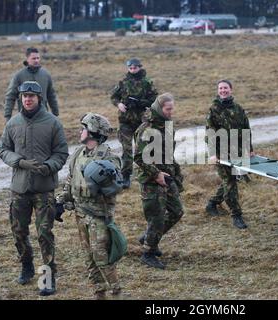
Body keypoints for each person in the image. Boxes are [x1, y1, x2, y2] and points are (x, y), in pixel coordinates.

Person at [0, 81, 68, 296]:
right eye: (24, 96)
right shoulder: (13, 123)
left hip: (44, 189)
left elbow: (62, 153)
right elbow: (3, 149)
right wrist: (18, 161)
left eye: (31, 96)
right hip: (19, 189)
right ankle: (26, 265)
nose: (27, 99)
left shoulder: (53, 123)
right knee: (18, 232)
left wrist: (49, 166)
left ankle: (48, 278)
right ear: (20, 98)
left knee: (45, 233)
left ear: (39, 98)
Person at [56, 113, 125, 299]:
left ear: (93, 132)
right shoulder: (79, 153)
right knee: (89, 258)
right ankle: (99, 292)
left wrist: (104, 178)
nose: (80, 131)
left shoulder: (109, 159)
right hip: (80, 214)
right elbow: (70, 180)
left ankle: (116, 292)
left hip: (98, 216)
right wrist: (61, 201)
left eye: (84, 128)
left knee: (101, 257)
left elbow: (115, 187)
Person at [134, 93, 184, 270]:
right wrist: (156, 174)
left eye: (172, 109)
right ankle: (148, 252)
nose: (171, 112)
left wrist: (177, 174)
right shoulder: (146, 128)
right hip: (151, 180)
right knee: (156, 216)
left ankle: (149, 237)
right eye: (167, 109)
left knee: (177, 211)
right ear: (159, 108)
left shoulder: (168, 126)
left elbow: (169, 154)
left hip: (168, 176)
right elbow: (139, 157)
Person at [205, 80, 254, 229]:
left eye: (225, 88)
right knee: (230, 182)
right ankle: (236, 215)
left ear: (231, 90)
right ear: (217, 91)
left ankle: (212, 203)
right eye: (220, 88)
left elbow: (246, 129)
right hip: (222, 153)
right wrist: (213, 154)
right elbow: (210, 133)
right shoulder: (213, 109)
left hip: (237, 151)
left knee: (231, 180)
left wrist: (249, 148)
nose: (223, 90)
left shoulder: (238, 108)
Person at [110, 58, 158, 189]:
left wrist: (141, 103)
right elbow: (113, 96)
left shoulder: (147, 83)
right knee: (126, 150)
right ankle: (126, 176)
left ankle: (148, 173)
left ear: (139, 67)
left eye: (135, 68)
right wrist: (119, 104)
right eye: (130, 68)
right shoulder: (123, 83)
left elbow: (154, 99)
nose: (132, 70)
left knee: (143, 148)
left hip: (141, 121)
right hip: (125, 121)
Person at [4, 47, 60, 121]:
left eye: (38, 58)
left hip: (43, 116)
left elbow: (51, 96)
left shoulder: (46, 75)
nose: (36, 60)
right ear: (27, 59)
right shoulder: (19, 76)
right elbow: (10, 97)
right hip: (24, 117)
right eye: (33, 58)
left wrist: (55, 114)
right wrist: (8, 117)